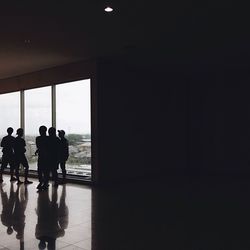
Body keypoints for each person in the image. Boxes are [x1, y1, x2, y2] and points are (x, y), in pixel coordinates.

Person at [35, 126, 49, 190]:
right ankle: (45, 183)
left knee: (40, 170)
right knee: (46, 170)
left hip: (41, 156)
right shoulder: (48, 138)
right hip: (46, 156)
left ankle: (41, 182)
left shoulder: (38, 138)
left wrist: (38, 151)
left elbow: (39, 147)